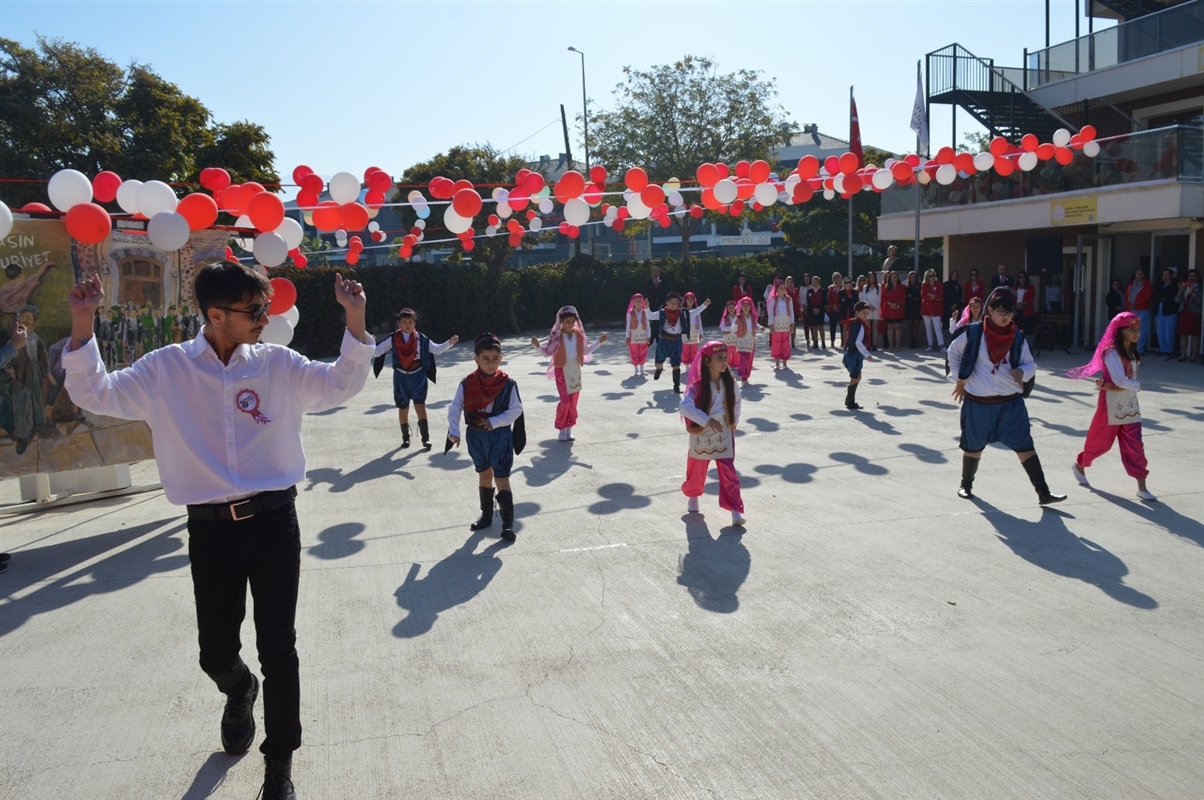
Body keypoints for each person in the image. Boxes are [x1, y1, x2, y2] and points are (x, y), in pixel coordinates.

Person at [62, 262, 376, 800]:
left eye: (265, 308)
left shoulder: (277, 363)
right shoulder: (165, 370)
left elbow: (338, 383)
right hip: (211, 531)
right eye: (254, 311)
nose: (264, 318)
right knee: (214, 651)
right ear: (215, 314)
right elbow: (96, 392)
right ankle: (239, 687)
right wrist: (82, 321)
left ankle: (278, 766)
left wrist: (355, 317)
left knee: (279, 647)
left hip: (275, 522)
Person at [946, 288, 1065, 505]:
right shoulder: (973, 333)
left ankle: (1043, 493)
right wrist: (959, 380)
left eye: (1009, 313)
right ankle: (966, 485)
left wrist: (1022, 372)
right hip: (978, 402)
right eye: (1001, 311)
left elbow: (1031, 364)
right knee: (973, 446)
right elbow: (953, 352)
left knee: (1025, 445)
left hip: (1010, 404)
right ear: (990, 310)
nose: (1005, 317)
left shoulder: (1017, 338)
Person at [1067, 313, 1156, 501]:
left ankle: (1142, 486)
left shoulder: (1133, 352)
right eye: (1131, 329)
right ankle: (1080, 465)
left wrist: (1133, 387)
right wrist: (1137, 386)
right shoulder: (1111, 353)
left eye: (1138, 329)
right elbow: (1119, 380)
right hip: (1110, 403)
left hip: (1130, 403)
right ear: (1120, 331)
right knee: (1101, 443)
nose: (1136, 333)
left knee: (1135, 445)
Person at [447, 333, 526, 540]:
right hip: (476, 436)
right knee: (484, 475)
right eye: (485, 359)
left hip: (499, 436)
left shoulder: (508, 384)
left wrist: (495, 421)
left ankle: (508, 524)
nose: (491, 364)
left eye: (495, 359)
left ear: (501, 358)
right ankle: (486, 516)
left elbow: (516, 410)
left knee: (502, 477)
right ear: (476, 359)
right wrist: (454, 431)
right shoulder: (468, 383)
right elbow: (455, 407)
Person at [679, 340, 745, 526]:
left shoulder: (730, 383)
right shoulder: (697, 387)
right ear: (707, 362)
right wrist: (706, 420)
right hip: (702, 431)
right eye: (719, 358)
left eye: (725, 357)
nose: (725, 361)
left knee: (729, 471)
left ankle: (735, 510)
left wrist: (734, 422)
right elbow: (684, 406)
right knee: (697, 469)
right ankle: (693, 497)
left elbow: (737, 402)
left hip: (723, 430)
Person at [373, 308, 458, 449]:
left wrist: (450, 342)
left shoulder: (421, 338)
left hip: (418, 375)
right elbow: (377, 352)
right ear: (399, 323)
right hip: (400, 376)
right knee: (403, 407)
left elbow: (436, 349)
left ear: (414, 323)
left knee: (420, 405)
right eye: (404, 322)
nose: (407, 324)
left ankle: (425, 438)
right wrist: (367, 342)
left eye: (410, 322)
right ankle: (405, 438)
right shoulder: (393, 338)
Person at [531, 305, 606, 440]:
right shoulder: (557, 337)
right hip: (561, 370)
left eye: (572, 321)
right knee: (565, 401)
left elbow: (586, 350)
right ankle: (562, 428)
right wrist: (537, 346)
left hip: (575, 371)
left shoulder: (578, 335)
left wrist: (599, 342)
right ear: (561, 321)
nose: (570, 324)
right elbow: (547, 352)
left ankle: (569, 428)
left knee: (573, 402)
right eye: (567, 321)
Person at [645, 292, 693, 394]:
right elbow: (650, 316)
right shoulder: (662, 313)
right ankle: (659, 369)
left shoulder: (682, 313)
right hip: (664, 341)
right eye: (672, 302)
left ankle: (676, 387)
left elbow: (695, 312)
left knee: (676, 365)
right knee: (658, 363)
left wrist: (704, 305)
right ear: (667, 303)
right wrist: (647, 308)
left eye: (676, 303)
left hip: (676, 342)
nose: (674, 305)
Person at [842, 301, 876, 410]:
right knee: (855, 377)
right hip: (855, 354)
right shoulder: (859, 325)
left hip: (853, 353)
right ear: (857, 312)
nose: (865, 315)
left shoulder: (855, 323)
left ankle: (849, 399)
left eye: (867, 313)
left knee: (857, 377)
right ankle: (850, 401)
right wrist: (867, 354)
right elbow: (858, 342)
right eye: (863, 313)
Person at [732, 296, 764, 383]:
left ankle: (745, 377)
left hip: (751, 340)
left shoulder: (752, 317)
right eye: (744, 305)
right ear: (741, 307)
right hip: (742, 340)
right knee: (743, 357)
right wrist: (735, 324)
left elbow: (755, 324)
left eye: (747, 305)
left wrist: (760, 327)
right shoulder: (738, 317)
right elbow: (733, 329)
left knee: (749, 359)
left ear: (750, 307)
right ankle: (741, 373)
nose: (746, 307)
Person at [681, 292, 711, 373]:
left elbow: (699, 322)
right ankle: (686, 365)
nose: (690, 301)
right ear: (685, 300)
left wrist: (701, 333)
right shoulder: (683, 311)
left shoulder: (696, 311)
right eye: (688, 299)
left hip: (695, 331)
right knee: (686, 349)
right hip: (685, 331)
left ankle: (693, 364)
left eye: (692, 300)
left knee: (694, 349)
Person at [1123, 268, 1152, 352]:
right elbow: (1126, 295)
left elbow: (1148, 296)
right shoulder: (1131, 284)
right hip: (1131, 310)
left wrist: (1136, 304)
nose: (1139, 276)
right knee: (1131, 329)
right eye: (1137, 274)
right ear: (1135, 275)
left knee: (1141, 329)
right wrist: (1129, 305)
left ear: (1144, 275)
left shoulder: (1147, 284)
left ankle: (1139, 349)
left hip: (1142, 309)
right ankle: (1131, 348)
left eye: (1141, 274)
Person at [767, 281, 795, 369]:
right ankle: (777, 363)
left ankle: (785, 363)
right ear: (777, 290)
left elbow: (792, 311)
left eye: (784, 288)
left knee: (785, 343)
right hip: (777, 322)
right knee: (776, 343)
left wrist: (792, 324)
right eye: (781, 288)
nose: (783, 290)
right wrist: (771, 325)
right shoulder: (773, 299)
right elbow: (771, 312)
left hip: (786, 322)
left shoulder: (789, 299)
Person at [624, 293, 652, 377]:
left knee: (643, 351)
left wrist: (648, 336)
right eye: (637, 301)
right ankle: (636, 370)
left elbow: (647, 325)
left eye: (640, 301)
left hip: (643, 334)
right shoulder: (630, 313)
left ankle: (642, 369)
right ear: (633, 302)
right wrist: (627, 336)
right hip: (634, 335)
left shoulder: (645, 312)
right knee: (634, 352)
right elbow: (628, 325)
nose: (638, 303)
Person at [1153, 268, 1179, 357]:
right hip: (1159, 311)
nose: (1165, 277)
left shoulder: (1174, 286)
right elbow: (1155, 296)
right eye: (1163, 275)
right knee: (1160, 331)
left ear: (1171, 276)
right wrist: (1161, 298)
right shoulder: (1160, 286)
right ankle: (1162, 349)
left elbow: (1173, 297)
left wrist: (1163, 298)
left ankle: (1169, 350)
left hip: (1170, 311)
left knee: (1169, 331)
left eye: (1167, 275)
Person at [1177, 269, 1201, 362]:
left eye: (1193, 276)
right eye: (1190, 276)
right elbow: (1177, 300)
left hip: (1195, 313)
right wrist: (1180, 290)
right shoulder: (1185, 287)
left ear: (1197, 278)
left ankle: (1194, 355)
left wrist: (1193, 293)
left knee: (1195, 335)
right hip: (1184, 312)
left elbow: (1199, 301)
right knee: (1184, 334)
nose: (1191, 278)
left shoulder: (1200, 288)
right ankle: (1183, 355)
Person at [920, 269, 945, 351]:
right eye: (930, 276)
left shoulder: (939, 284)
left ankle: (941, 346)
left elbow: (940, 295)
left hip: (936, 309)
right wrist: (934, 297)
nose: (932, 277)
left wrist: (932, 296)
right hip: (926, 309)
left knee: (938, 328)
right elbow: (923, 296)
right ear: (927, 277)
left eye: (933, 275)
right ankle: (930, 345)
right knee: (928, 328)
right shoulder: (924, 285)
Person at [880, 270, 905, 351]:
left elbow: (903, 297)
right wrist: (890, 303)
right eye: (892, 277)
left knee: (898, 327)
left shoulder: (901, 287)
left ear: (897, 278)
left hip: (898, 309)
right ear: (889, 278)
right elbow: (884, 297)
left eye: (895, 277)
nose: (894, 278)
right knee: (890, 327)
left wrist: (897, 303)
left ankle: (897, 345)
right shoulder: (886, 287)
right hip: (888, 309)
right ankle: (890, 345)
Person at [644, 266, 668, 345]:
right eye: (655, 272)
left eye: (657, 272)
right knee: (654, 321)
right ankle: (655, 338)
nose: (656, 273)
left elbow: (665, 292)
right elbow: (647, 291)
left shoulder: (664, 281)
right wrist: (653, 284)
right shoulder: (649, 281)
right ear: (652, 272)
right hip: (652, 304)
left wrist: (663, 304)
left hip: (661, 304)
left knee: (659, 321)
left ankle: (654, 338)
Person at [859, 271, 881, 350]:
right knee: (867, 327)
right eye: (870, 277)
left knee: (875, 326)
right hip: (867, 309)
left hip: (876, 308)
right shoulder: (865, 287)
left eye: (873, 277)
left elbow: (879, 298)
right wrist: (869, 306)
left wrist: (875, 307)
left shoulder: (879, 286)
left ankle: (874, 344)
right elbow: (864, 299)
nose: (872, 279)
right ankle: (867, 343)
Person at [804, 275, 826, 351]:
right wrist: (813, 309)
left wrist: (818, 309)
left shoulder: (822, 291)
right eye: (813, 282)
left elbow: (824, 301)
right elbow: (808, 301)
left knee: (820, 327)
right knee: (813, 327)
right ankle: (815, 342)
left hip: (820, 310)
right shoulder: (809, 291)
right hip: (811, 310)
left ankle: (823, 342)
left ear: (819, 282)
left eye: (816, 282)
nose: (814, 283)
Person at [837, 276, 858, 347]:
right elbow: (840, 302)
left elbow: (856, 302)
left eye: (849, 282)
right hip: (844, 312)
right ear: (844, 283)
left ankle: (851, 342)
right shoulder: (841, 292)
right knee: (845, 327)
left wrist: (847, 300)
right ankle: (845, 342)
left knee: (851, 328)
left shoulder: (855, 292)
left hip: (852, 312)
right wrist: (849, 301)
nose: (848, 284)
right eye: (846, 282)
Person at [904, 270, 922, 348]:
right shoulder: (906, 287)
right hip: (909, 308)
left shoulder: (920, 286)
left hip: (917, 307)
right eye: (911, 277)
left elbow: (920, 296)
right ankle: (911, 341)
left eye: (914, 277)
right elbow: (906, 297)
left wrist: (913, 297)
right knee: (910, 326)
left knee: (916, 326)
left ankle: (915, 341)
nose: (913, 279)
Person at [826, 272, 844, 347]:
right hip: (833, 309)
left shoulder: (843, 287)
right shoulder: (831, 288)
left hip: (841, 309)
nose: (837, 278)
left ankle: (843, 341)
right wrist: (833, 305)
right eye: (835, 277)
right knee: (832, 326)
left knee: (842, 326)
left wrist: (839, 306)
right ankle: (832, 341)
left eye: (838, 277)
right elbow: (829, 298)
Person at [943, 269, 963, 334]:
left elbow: (959, 297)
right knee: (947, 325)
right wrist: (949, 306)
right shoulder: (945, 285)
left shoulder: (958, 286)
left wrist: (955, 305)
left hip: (956, 309)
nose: (954, 276)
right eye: (953, 275)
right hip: (947, 309)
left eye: (956, 275)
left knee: (956, 325)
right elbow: (944, 296)